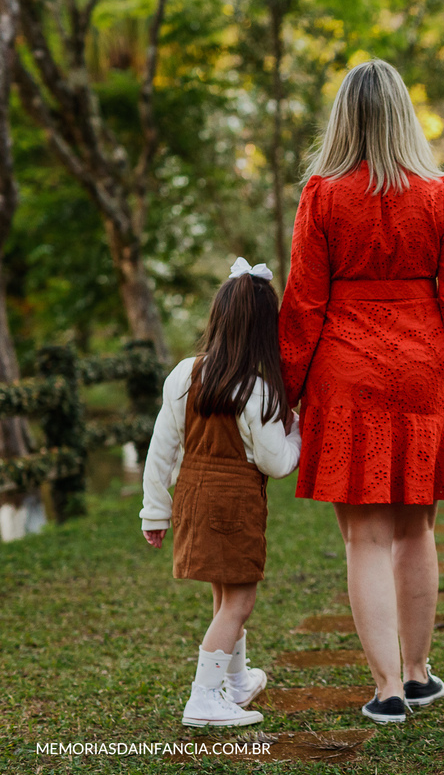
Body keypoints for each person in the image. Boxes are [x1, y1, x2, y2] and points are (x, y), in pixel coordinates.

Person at [278, 59, 444, 724]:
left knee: (364, 539)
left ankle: (387, 690)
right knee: (417, 527)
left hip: (346, 374)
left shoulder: (320, 193)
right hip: (424, 370)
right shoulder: (441, 194)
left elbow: (303, 305)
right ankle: (420, 672)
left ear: (344, 115)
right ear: (405, 113)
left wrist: (288, 391)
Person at [140, 258, 302, 727]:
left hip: (192, 496)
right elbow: (275, 462)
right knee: (240, 600)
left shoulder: (184, 374)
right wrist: (298, 433)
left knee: (223, 593)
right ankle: (203, 698)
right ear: (266, 332)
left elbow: (161, 451)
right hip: (234, 503)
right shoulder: (258, 389)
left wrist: (155, 511)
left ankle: (236, 683)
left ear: (218, 319)